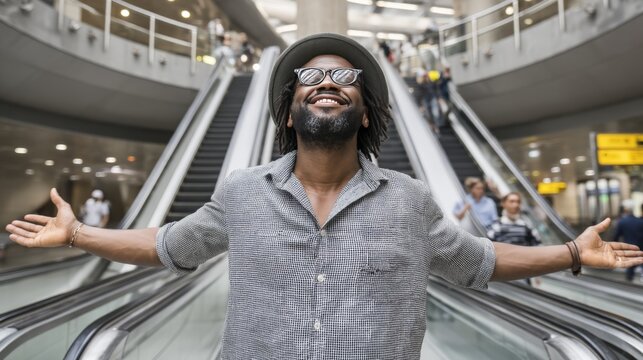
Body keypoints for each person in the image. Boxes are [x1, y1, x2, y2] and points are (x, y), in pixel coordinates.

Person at [6, 33, 643, 359]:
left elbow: (478, 262)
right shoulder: (241, 191)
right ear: (289, 112)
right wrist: (81, 236)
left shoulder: (410, 198)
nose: (326, 84)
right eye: (311, 78)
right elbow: (170, 246)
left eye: (345, 78)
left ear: (365, 112)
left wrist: (572, 254)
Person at [487, 192, 540, 285]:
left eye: (518, 202)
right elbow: (488, 248)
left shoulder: (526, 225)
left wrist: (537, 275)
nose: (515, 205)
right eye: (511, 201)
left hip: (523, 272)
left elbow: (537, 246)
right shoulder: (497, 225)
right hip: (503, 274)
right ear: (504, 204)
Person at [613, 201, 643, 281]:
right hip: (641, 248)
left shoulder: (622, 222)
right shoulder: (640, 221)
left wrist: (614, 248)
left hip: (628, 249)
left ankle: (630, 283)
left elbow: (616, 237)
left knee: (630, 268)